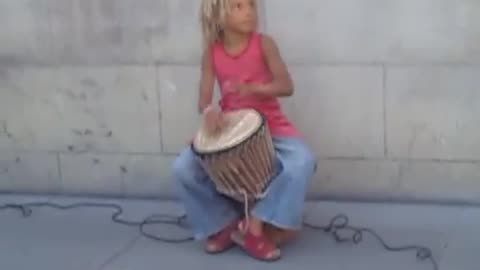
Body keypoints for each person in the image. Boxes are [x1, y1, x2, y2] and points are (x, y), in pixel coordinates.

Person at [173, 0, 317, 261]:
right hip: (231, 128)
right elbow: (204, 99)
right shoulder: (212, 54)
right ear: (218, 15)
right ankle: (225, 224)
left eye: (251, 5)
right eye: (238, 6)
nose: (249, 11)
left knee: (303, 161)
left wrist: (253, 90)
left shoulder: (264, 44)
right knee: (183, 168)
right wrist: (209, 113)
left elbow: (286, 85)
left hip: (271, 125)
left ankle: (255, 223)